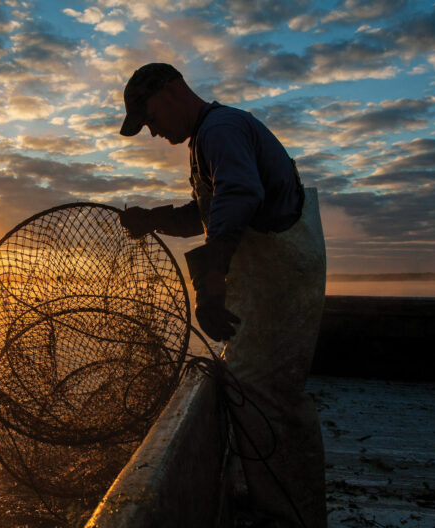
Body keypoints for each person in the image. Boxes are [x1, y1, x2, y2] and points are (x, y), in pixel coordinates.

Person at [118, 63, 328, 528]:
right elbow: (207, 213)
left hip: (281, 279)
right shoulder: (208, 139)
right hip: (274, 278)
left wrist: (212, 283)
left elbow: (240, 194)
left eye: (149, 117)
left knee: (267, 396)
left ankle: (292, 517)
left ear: (172, 89)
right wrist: (153, 218)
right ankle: (287, 509)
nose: (152, 132)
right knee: (258, 390)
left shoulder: (221, 129)